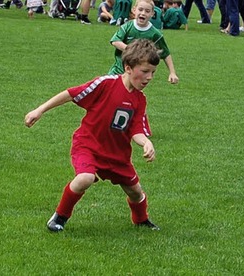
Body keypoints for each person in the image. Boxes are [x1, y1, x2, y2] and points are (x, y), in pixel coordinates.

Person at [24, 39, 162, 233]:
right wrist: (40, 110)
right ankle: (59, 218)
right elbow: (71, 93)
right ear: (128, 68)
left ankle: (141, 220)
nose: (149, 77)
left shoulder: (140, 99)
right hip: (88, 145)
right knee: (85, 178)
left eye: (153, 73)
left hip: (117, 155)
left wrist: (146, 143)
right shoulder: (106, 84)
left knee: (136, 192)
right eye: (145, 71)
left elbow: (136, 129)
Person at [109, 0, 179, 84]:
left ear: (152, 14)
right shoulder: (127, 26)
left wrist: (172, 73)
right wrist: (133, 51)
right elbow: (115, 41)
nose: (143, 13)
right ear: (134, 10)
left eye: (147, 11)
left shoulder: (155, 34)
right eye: (140, 9)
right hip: (117, 71)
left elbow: (166, 54)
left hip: (136, 77)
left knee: (130, 95)